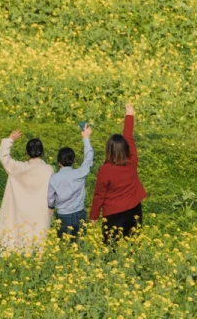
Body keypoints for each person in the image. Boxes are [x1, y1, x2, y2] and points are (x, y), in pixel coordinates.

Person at [89, 103, 147, 241]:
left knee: (111, 251)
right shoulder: (132, 160)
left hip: (114, 215)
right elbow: (129, 137)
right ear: (125, 149)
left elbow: (99, 195)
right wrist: (129, 114)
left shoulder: (105, 170)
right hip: (134, 210)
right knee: (133, 248)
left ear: (109, 150)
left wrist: (94, 215)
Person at [0, 129, 54, 252]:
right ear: (42, 152)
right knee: (37, 241)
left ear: (27, 152)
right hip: (40, 210)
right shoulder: (48, 170)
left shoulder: (18, 168)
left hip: (19, 210)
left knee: (17, 235)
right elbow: (52, 193)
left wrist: (10, 140)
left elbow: (4, 157)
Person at [47, 124, 93, 238]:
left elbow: (50, 198)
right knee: (80, 244)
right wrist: (86, 138)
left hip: (63, 216)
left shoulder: (54, 178)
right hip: (79, 213)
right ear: (73, 161)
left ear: (59, 162)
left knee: (64, 246)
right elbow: (88, 158)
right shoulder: (79, 173)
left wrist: (51, 207)